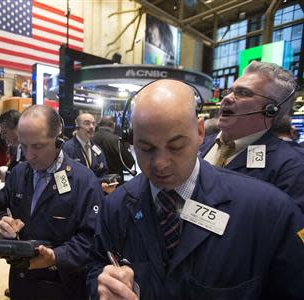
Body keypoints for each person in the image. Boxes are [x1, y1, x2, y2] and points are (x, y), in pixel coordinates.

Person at [86, 79, 304, 300]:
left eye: (176, 146)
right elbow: (97, 266)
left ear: (200, 132)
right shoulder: (116, 206)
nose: (161, 163)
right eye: (146, 148)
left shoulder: (268, 211)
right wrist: (101, 287)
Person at [0, 105, 103, 300]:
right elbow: (3, 208)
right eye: (23, 146)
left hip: (64, 288)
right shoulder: (18, 173)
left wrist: (56, 256)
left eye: (37, 146)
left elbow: (92, 239)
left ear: (57, 137)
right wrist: (2, 225)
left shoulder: (84, 181)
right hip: (22, 284)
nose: (29, 155)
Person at [200, 61, 304, 212]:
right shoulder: (201, 145)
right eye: (230, 91)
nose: (226, 98)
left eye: (242, 93)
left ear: (271, 110)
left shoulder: (292, 166)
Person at [62, 113, 114, 193]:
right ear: (77, 127)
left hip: (94, 197)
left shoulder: (97, 149)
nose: (91, 127)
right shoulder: (67, 148)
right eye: (87, 123)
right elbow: (63, 178)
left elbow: (104, 172)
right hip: (75, 197)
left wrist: (105, 183)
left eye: (93, 124)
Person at [92, 116, 135, 184]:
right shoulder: (118, 141)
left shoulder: (90, 139)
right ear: (113, 125)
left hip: (94, 183)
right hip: (114, 183)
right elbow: (129, 163)